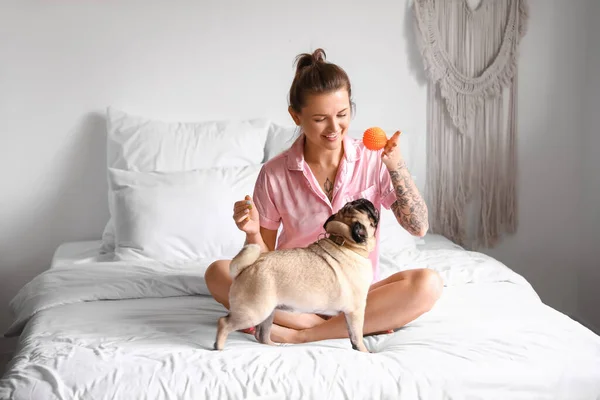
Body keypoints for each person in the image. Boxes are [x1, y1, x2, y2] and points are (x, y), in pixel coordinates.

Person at [205, 48, 443, 345]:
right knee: (217, 273)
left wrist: (396, 167)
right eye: (320, 119)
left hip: (355, 290)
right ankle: (352, 324)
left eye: (342, 115)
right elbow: (261, 262)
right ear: (295, 116)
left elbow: (418, 226)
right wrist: (252, 232)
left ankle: (302, 334)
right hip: (294, 294)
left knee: (427, 284)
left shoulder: (371, 160)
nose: (334, 129)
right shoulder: (274, 173)